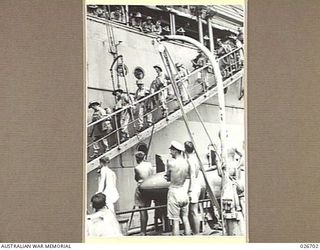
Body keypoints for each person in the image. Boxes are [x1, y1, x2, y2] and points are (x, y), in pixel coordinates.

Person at [165, 141, 192, 236]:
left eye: (171, 150)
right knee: (185, 218)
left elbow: (168, 177)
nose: (170, 152)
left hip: (174, 191)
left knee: (175, 221)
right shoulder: (186, 163)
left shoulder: (170, 163)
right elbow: (188, 177)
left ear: (175, 151)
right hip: (183, 191)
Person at [134, 151, 154, 235]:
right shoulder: (149, 165)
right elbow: (152, 175)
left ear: (137, 159)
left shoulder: (137, 168)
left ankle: (143, 231)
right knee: (146, 209)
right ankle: (144, 230)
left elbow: (136, 178)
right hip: (149, 187)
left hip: (141, 187)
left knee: (142, 210)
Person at [184, 141, 201, 235]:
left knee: (193, 211)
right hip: (197, 185)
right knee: (193, 210)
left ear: (185, 149)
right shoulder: (195, 159)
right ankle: (195, 231)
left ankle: (196, 233)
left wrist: (190, 189)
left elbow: (192, 175)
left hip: (192, 187)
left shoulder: (189, 160)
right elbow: (197, 173)